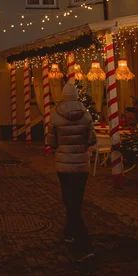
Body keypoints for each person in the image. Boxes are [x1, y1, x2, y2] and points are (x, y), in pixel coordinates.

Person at [48, 81, 97, 262]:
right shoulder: (86, 116)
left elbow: (52, 143)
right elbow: (92, 140)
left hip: (63, 164)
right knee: (77, 200)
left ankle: (84, 245)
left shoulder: (56, 116)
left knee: (70, 201)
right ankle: (69, 232)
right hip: (82, 164)